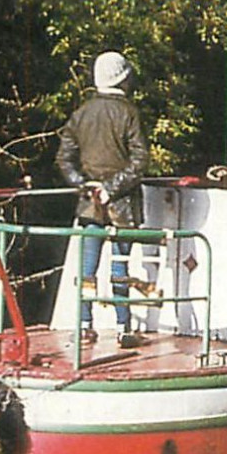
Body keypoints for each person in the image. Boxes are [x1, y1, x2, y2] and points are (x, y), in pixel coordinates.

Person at [55, 51, 152, 347]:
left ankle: (85, 325)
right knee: (120, 266)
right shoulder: (128, 113)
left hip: (89, 204)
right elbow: (140, 160)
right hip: (120, 203)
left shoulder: (81, 113)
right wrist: (112, 188)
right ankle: (124, 328)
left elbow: (64, 159)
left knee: (86, 268)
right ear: (124, 78)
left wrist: (85, 186)